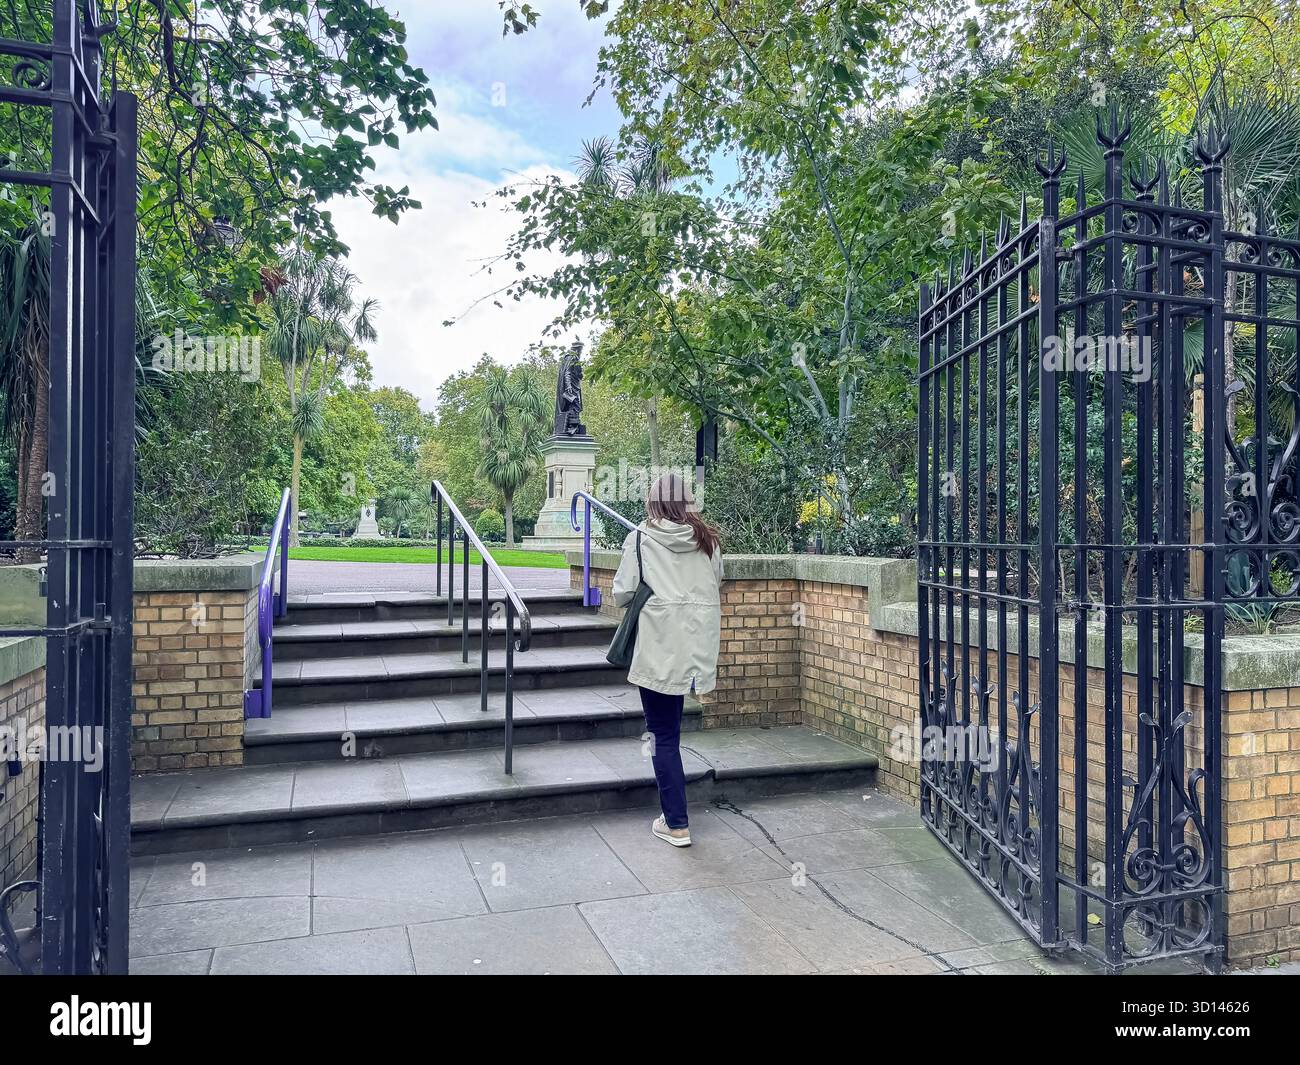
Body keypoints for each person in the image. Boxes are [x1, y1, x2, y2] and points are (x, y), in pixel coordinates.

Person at [612, 472, 722, 847]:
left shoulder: (641, 539)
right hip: (696, 645)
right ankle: (674, 818)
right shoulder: (707, 541)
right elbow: (716, 582)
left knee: (662, 737)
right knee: (670, 733)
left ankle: (676, 822)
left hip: (660, 645)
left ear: (654, 502)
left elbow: (622, 593)